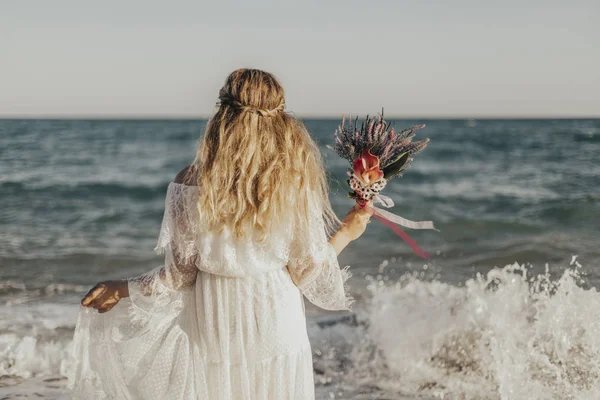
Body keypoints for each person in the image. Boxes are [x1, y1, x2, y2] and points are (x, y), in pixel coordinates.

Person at [68, 68, 372, 400]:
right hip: (279, 326)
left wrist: (122, 288)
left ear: (222, 117)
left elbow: (178, 277)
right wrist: (346, 232)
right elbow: (306, 271)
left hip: (217, 327)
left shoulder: (189, 183)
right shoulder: (294, 181)